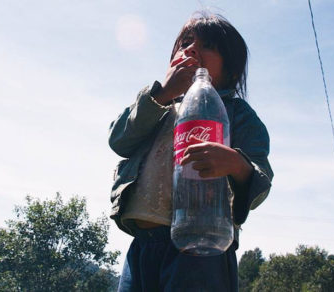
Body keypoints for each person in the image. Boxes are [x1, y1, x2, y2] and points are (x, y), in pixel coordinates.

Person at [108, 12, 273, 292]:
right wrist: (160, 94)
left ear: (232, 71)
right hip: (143, 244)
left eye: (207, 45)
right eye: (185, 42)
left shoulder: (238, 115)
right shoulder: (157, 106)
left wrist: (236, 164)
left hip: (202, 243)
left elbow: (260, 178)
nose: (192, 49)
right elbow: (119, 140)